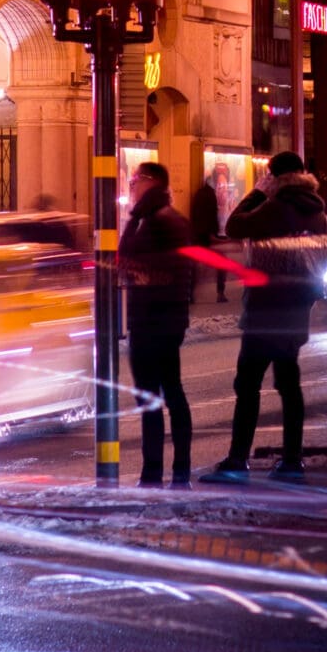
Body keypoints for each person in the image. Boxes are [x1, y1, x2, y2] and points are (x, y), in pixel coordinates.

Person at [201, 150, 327, 485]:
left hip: (266, 308)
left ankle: (237, 460)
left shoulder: (277, 205)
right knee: (289, 384)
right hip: (296, 308)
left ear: (274, 176)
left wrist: (257, 191)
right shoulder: (315, 209)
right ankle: (291, 461)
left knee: (247, 385)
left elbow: (234, 225)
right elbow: (321, 258)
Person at [117, 161, 194, 489]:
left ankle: (172, 472)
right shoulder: (145, 218)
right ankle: (158, 472)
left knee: (165, 396)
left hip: (157, 319)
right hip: (150, 318)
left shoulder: (162, 220)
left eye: (135, 179)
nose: (131, 184)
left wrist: (139, 272)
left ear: (151, 182)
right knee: (155, 397)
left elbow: (174, 267)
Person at [189, 176, 227, 303]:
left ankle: (190, 295)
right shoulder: (210, 195)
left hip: (196, 235)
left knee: (194, 267)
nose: (221, 188)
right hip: (207, 236)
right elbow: (211, 215)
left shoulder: (199, 193)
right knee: (221, 263)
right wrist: (213, 234)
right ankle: (220, 293)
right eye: (220, 185)